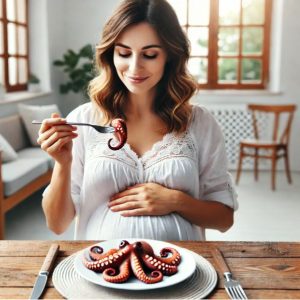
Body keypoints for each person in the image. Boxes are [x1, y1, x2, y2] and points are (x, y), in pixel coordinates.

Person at [38, 0, 238, 241]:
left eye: (150, 54)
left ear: (170, 57)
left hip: (183, 271)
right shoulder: (83, 119)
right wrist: (62, 163)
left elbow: (224, 219)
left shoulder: (200, 123)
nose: (134, 67)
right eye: (123, 53)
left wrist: (175, 201)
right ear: (111, 55)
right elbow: (57, 224)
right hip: (99, 270)